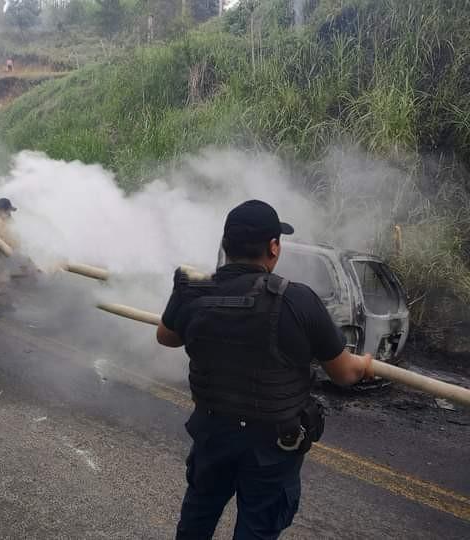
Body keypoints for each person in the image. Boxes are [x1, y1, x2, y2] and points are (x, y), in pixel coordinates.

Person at [157, 200, 374, 540]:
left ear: (226, 245)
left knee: (196, 524)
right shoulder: (297, 300)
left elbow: (166, 336)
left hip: (212, 433)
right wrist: (364, 364)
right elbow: (345, 374)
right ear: (273, 247)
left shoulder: (194, 288)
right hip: (271, 447)